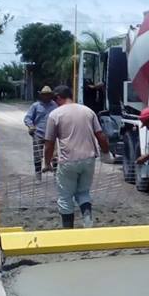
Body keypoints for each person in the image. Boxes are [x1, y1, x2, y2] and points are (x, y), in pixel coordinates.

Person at [43, 85, 112, 229]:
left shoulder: (55, 115)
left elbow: (49, 143)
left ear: (58, 98)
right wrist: (106, 152)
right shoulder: (88, 111)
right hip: (88, 159)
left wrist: (47, 163)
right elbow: (100, 135)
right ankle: (87, 221)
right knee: (83, 192)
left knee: (65, 196)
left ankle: (68, 230)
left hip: (68, 160)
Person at [23, 86, 57, 180]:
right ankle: (38, 175)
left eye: (48, 95)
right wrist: (31, 126)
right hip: (39, 133)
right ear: (41, 96)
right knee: (38, 155)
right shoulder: (35, 106)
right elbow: (28, 118)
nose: (46, 97)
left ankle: (56, 175)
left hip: (52, 134)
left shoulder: (54, 105)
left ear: (51, 95)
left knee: (55, 155)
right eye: (44, 95)